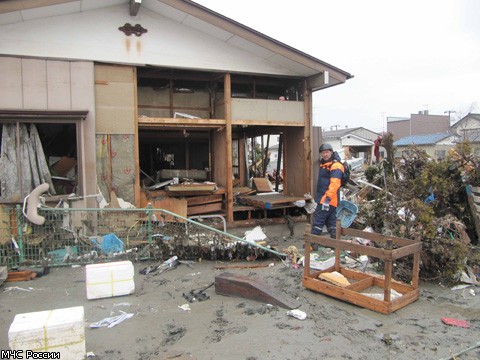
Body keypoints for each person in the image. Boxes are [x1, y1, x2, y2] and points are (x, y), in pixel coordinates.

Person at [311, 143, 345, 238]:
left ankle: (312, 243)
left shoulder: (336, 165)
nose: (325, 155)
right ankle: (335, 243)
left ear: (331, 152)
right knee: (331, 223)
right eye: (323, 153)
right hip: (331, 201)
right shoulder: (326, 164)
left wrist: (327, 198)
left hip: (326, 199)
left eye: (327, 152)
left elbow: (335, 183)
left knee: (318, 221)